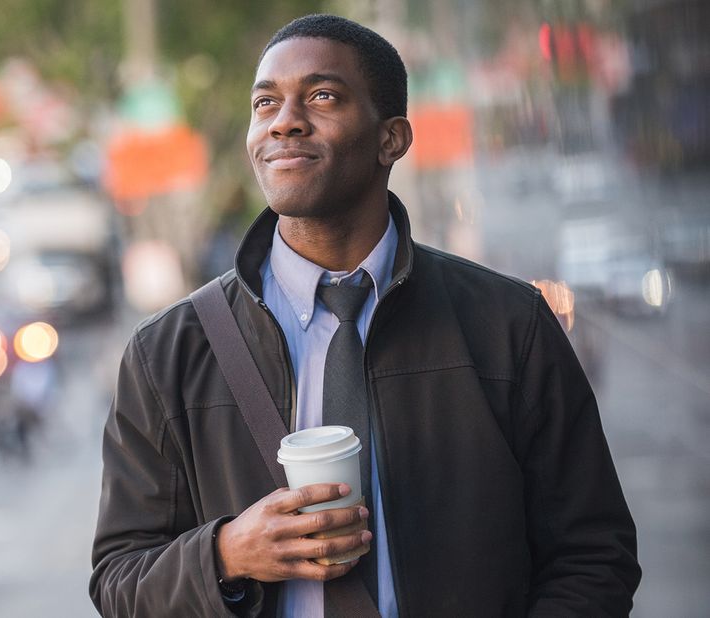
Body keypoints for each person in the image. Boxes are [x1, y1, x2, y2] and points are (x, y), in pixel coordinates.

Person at [91, 13, 640, 618]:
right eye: (265, 102)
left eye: (321, 95)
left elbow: (594, 555)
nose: (284, 120)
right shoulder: (166, 353)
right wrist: (223, 554)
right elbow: (119, 582)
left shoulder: (511, 326)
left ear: (393, 139)